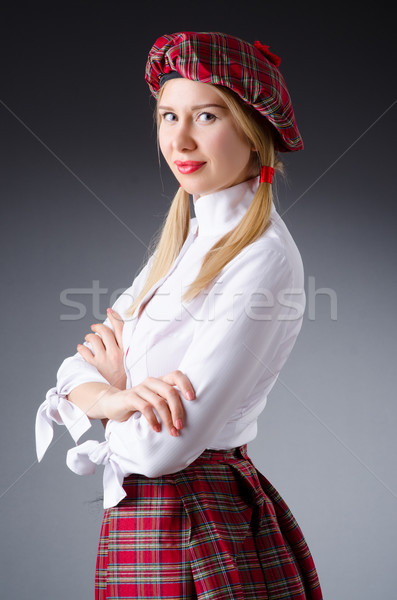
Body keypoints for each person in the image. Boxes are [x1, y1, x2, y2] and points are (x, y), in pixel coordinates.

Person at [35, 31, 323, 600]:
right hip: (147, 522)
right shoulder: (187, 239)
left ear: (252, 127)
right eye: (168, 115)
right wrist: (115, 400)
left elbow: (159, 450)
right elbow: (73, 371)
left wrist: (108, 398)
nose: (180, 139)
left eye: (207, 116)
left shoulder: (260, 257)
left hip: (197, 524)